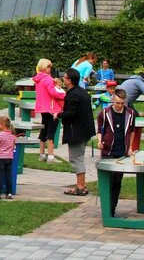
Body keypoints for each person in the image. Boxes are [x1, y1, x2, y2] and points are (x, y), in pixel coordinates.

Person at [97, 88, 136, 216]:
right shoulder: (104, 113)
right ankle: (106, 207)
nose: (120, 106)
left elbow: (132, 131)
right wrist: (100, 141)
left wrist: (129, 148)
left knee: (117, 181)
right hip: (108, 151)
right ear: (113, 100)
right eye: (117, 103)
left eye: (122, 103)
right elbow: (100, 130)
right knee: (107, 179)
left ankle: (112, 207)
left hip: (121, 152)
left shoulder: (130, 113)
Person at [60, 68, 95, 196]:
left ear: (69, 81)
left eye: (64, 77)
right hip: (86, 130)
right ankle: (81, 185)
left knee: (76, 158)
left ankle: (81, 187)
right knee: (78, 157)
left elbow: (71, 114)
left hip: (77, 132)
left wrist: (58, 114)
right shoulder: (82, 92)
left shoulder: (73, 94)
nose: (63, 79)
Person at [33, 59, 66, 163]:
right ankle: (51, 156)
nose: (50, 69)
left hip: (43, 108)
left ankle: (42, 154)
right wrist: (65, 95)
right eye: (49, 67)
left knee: (43, 130)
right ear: (44, 67)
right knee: (51, 131)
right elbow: (53, 92)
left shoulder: (38, 79)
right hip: (52, 108)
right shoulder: (47, 79)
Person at [0, 115, 17, 200]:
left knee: (0, 175)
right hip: (9, 158)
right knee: (8, 175)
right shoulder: (13, 136)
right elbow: (13, 147)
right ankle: (9, 193)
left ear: (2, 124)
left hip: (1, 158)